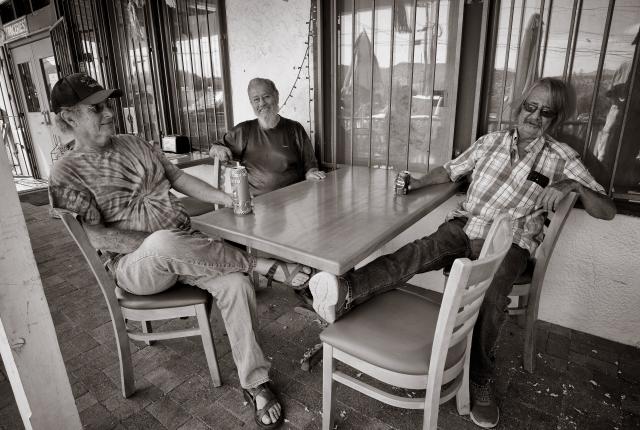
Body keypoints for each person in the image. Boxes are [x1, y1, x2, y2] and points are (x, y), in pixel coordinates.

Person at [308, 77, 616, 429]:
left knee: (491, 296)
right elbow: (450, 170)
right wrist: (416, 182)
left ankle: (481, 378)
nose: (534, 116)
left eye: (545, 111)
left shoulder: (562, 158)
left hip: (510, 241)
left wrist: (572, 184)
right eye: (530, 106)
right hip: (465, 226)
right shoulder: (490, 142)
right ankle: (346, 291)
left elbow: (606, 210)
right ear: (519, 108)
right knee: (417, 252)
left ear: (554, 119)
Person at [48, 73, 312, 429]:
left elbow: (179, 180)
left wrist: (229, 199)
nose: (109, 113)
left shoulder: (134, 143)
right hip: (137, 267)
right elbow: (95, 237)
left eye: (108, 104)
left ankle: (255, 381)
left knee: (235, 284)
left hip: (186, 249)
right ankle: (260, 264)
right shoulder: (67, 171)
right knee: (162, 243)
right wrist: (158, 247)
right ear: (69, 117)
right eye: (96, 108)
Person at [209, 77, 325, 195]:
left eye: (266, 97)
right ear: (251, 103)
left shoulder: (295, 128)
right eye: (256, 99)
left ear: (276, 96)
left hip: (294, 200)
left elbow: (310, 163)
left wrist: (311, 173)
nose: (262, 103)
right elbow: (214, 148)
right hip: (259, 204)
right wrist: (218, 149)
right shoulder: (244, 130)